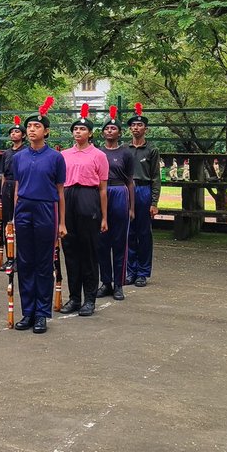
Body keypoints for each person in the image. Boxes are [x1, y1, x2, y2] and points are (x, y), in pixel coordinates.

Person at [10, 97, 66, 334]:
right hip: (23, 208)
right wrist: (13, 217)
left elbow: (61, 191)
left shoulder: (55, 157)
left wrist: (62, 222)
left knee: (44, 262)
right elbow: (16, 187)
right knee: (24, 261)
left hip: (45, 209)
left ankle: (42, 313)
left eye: (37, 126)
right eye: (29, 127)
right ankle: (28, 311)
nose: (32, 130)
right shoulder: (18, 157)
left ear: (46, 131)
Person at [58, 104, 108, 317]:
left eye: (82, 129)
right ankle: (74, 297)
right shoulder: (64, 155)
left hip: (89, 198)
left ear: (90, 133)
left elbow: (103, 189)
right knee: (70, 250)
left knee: (88, 251)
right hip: (68, 197)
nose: (78, 132)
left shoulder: (98, 155)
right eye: (75, 129)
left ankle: (90, 298)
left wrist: (104, 217)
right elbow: (58, 186)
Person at [97, 107, 135, 301]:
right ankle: (106, 282)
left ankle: (119, 284)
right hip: (101, 193)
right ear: (103, 132)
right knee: (102, 241)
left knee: (120, 241)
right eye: (107, 128)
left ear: (119, 132)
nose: (110, 131)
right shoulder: (97, 152)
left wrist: (131, 207)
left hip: (120, 193)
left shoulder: (126, 153)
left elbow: (130, 180)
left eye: (114, 128)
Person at [126, 103, 161, 287]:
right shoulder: (125, 149)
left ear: (145, 129)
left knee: (144, 232)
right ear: (130, 128)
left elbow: (156, 177)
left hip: (144, 190)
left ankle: (143, 272)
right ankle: (130, 270)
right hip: (128, 191)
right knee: (128, 232)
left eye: (139, 125)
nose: (136, 128)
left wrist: (154, 201)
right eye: (133, 125)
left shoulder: (152, 151)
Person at [0, 116, 26, 269]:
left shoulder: (26, 151)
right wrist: (1, 194)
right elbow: (2, 174)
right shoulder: (7, 152)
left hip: (20, 185)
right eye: (12, 132)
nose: (14, 134)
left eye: (17, 131)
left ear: (23, 135)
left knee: (19, 221)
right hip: (7, 186)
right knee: (6, 222)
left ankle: (19, 258)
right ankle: (10, 257)